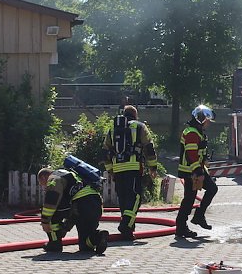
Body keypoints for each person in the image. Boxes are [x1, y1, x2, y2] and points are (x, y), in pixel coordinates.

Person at [103, 105, 158, 240]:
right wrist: (153, 167)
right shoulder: (140, 127)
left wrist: (110, 169)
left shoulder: (112, 129)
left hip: (118, 169)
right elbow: (149, 147)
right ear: (135, 115)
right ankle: (126, 224)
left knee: (123, 198)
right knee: (135, 197)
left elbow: (105, 151)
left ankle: (128, 231)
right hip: (133, 168)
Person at [37, 166, 108, 255]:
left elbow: (52, 199)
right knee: (85, 245)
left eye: (41, 183)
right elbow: (74, 214)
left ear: (43, 177)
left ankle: (54, 244)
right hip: (96, 203)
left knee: (50, 214)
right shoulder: (72, 174)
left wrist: (45, 221)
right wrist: (65, 228)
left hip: (82, 203)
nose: (43, 187)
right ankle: (99, 236)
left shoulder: (54, 177)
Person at [175, 105, 218, 239]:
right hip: (190, 171)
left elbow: (198, 152)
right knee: (189, 199)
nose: (209, 124)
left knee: (211, 189)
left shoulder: (197, 131)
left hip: (195, 169)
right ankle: (182, 226)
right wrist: (198, 171)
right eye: (207, 121)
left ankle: (197, 217)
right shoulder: (192, 132)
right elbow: (191, 153)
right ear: (201, 119)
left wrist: (204, 160)